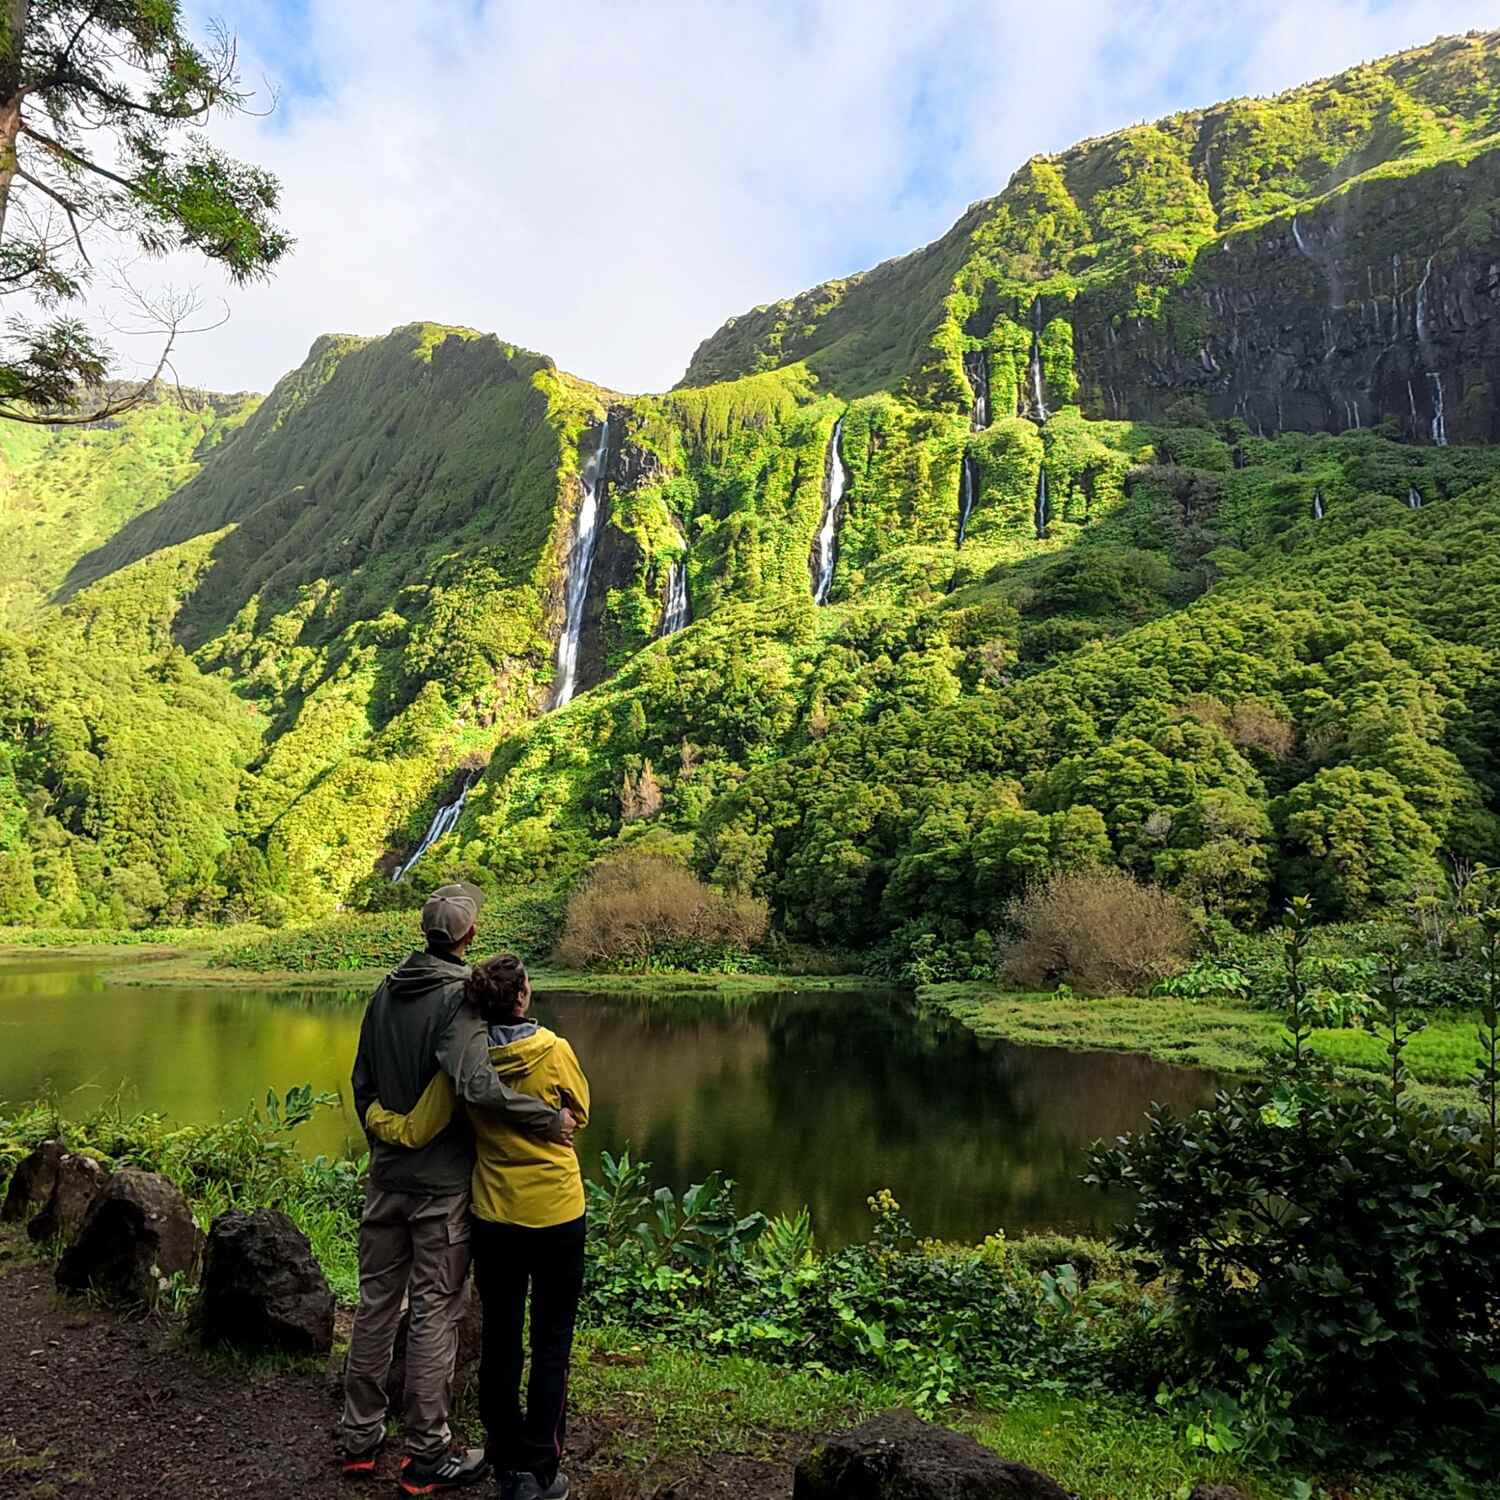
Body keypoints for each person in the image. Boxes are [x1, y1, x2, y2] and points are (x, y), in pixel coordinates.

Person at [342, 884, 577, 1495]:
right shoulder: (458, 1003)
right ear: (468, 937)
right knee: (433, 1313)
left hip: (385, 1178)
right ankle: (428, 1451)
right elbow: (476, 1086)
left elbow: (360, 1082)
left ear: (426, 932)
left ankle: (360, 1438)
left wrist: (383, 1142)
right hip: (441, 1189)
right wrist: (543, 1118)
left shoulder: (384, 991)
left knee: (373, 1305)